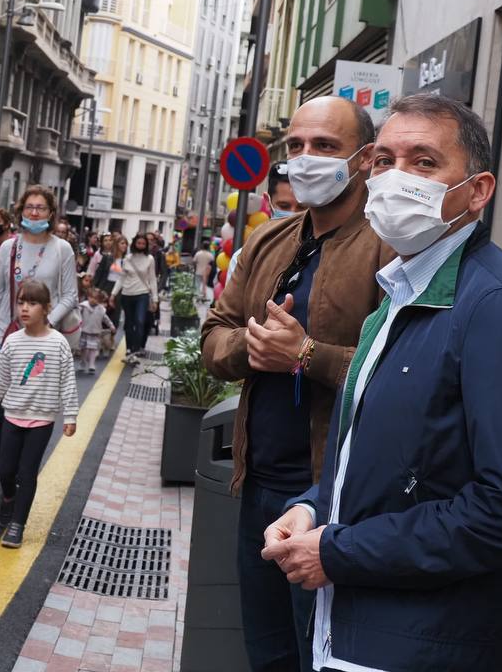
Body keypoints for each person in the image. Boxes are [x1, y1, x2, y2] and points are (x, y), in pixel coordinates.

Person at [260, 94, 502, 672]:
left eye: (424, 163)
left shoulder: (501, 308)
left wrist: (339, 551)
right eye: (383, 161)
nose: (396, 178)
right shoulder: (403, 293)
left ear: (477, 192)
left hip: (428, 646)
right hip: (359, 635)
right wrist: (311, 508)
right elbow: (386, 462)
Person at [200, 95, 389, 672]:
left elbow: (407, 371)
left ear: (364, 159)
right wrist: (252, 349)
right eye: (296, 147)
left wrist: (306, 355)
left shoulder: (389, 247)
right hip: (258, 486)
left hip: (333, 500)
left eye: (325, 147)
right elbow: (215, 335)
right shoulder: (267, 241)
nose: (305, 160)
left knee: (322, 654)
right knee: (268, 651)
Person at [0, 185, 79, 482]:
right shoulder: (9, 247)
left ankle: (13, 467)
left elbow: (70, 295)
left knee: (27, 404)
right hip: (5, 334)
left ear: (51, 213)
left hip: (41, 339)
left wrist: (46, 322)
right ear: (20, 211)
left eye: (41, 208)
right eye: (29, 207)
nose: (34, 212)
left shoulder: (62, 249)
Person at [0, 279, 78, 549]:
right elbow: (0, 381)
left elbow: (68, 381)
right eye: (21, 302)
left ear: (46, 308)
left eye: (32, 303)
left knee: (27, 473)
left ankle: (17, 525)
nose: (25, 308)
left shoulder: (58, 344)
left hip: (41, 420)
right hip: (12, 416)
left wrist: (70, 416)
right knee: (7, 471)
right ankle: (8, 498)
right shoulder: (11, 341)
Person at [224, 164, 302, 287]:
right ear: (267, 202)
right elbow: (230, 306)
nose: (293, 214)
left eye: (302, 207)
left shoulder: (324, 256)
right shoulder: (245, 259)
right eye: (284, 206)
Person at [111, 232, 158, 362]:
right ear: (135, 244)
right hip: (127, 294)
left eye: (144, 243)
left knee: (140, 321)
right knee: (128, 323)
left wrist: (155, 299)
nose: (141, 245)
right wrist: (113, 294)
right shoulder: (127, 258)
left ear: (146, 245)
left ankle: (135, 351)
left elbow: (153, 279)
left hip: (142, 294)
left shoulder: (150, 259)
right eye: (139, 243)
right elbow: (121, 278)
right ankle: (129, 349)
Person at [77, 288, 114, 375]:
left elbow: (106, 319)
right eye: (91, 297)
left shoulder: (101, 309)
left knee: (93, 349)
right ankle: (83, 362)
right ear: (88, 297)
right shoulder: (83, 306)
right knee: (83, 349)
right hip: (84, 331)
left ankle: (91, 364)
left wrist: (111, 326)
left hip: (95, 333)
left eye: (96, 299)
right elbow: (76, 314)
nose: (93, 300)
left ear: (100, 300)